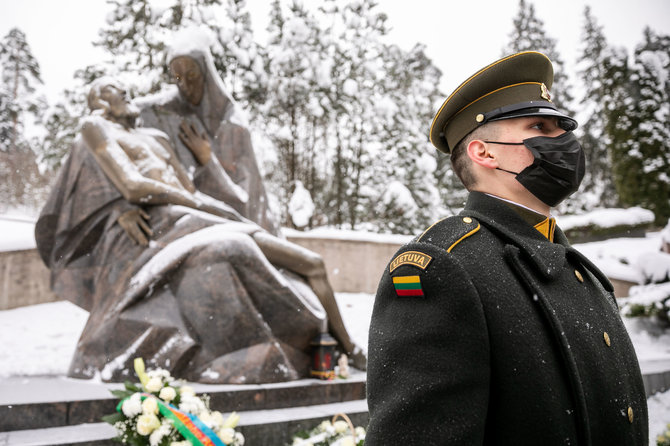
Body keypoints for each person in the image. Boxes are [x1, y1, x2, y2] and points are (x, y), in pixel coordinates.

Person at [366, 51, 648, 444]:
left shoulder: (579, 269)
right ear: (483, 152)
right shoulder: (445, 265)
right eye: (539, 127)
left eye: (562, 127)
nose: (565, 140)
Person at [35, 77, 364, 384]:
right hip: (169, 223)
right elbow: (132, 186)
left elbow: (187, 188)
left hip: (197, 217)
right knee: (234, 248)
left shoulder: (157, 139)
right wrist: (126, 208)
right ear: (97, 103)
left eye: (122, 87)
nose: (122, 90)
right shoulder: (95, 127)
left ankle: (347, 346)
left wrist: (214, 203)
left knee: (311, 263)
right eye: (110, 88)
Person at [136, 40, 278, 235]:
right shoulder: (182, 113)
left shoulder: (232, 127)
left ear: (207, 74)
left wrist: (207, 159)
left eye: (192, 75)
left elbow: (245, 204)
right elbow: (144, 106)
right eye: (177, 77)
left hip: (243, 231)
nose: (185, 85)